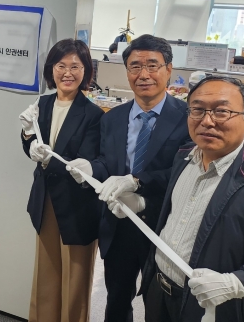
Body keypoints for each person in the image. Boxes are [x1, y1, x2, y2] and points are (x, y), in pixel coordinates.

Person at [128, 76, 244, 321]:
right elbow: (178, 213)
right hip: (159, 292)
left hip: (215, 308)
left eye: (222, 111)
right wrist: (143, 203)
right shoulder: (184, 158)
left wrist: (236, 282)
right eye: (198, 110)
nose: (207, 121)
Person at [87, 34, 190, 322]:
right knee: (117, 301)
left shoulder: (188, 118)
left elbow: (185, 171)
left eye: (152, 65)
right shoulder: (112, 118)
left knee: (161, 306)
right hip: (119, 224)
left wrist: (137, 181)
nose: (143, 75)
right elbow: (106, 162)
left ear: (168, 69)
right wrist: (90, 169)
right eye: (135, 66)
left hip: (164, 226)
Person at [19, 39, 104, 322]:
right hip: (45, 200)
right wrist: (27, 137)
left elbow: (86, 159)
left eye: (75, 67)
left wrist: (47, 158)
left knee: (75, 281)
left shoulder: (93, 114)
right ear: (51, 69)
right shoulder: (42, 104)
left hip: (77, 206)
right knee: (46, 275)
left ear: (86, 70)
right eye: (61, 66)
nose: (67, 73)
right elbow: (34, 145)